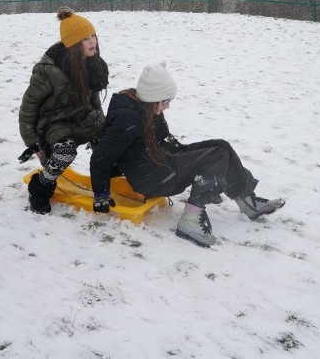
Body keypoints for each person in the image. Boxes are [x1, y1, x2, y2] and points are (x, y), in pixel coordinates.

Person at [89, 61, 285, 248]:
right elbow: (101, 157)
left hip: (162, 160)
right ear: (152, 97)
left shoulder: (147, 109)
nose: (167, 106)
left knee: (221, 147)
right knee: (215, 157)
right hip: (152, 177)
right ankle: (190, 220)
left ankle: (247, 201)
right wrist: (101, 195)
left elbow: (157, 142)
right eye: (165, 101)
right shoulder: (127, 119)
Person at [19, 6, 109, 214]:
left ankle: (106, 179)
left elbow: (94, 100)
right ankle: (40, 186)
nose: (92, 42)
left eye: (93, 36)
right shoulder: (49, 71)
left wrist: (102, 126)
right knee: (65, 152)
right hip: (54, 123)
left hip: (81, 116)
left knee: (111, 138)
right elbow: (28, 107)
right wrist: (32, 142)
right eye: (85, 39)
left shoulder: (91, 64)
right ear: (73, 44)